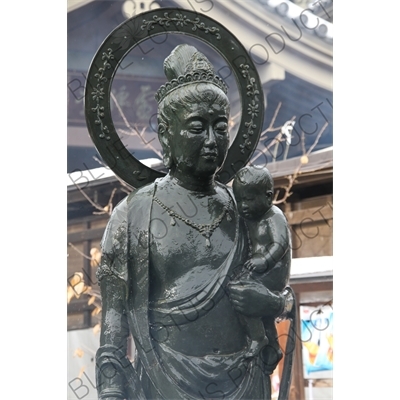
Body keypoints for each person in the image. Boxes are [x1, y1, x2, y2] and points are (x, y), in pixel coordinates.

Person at [95, 44, 292, 400]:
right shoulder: (133, 215)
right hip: (162, 378)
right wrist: (111, 389)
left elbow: (281, 296)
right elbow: (114, 321)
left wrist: (272, 304)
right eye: (198, 127)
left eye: (221, 127)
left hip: (245, 377)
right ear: (166, 134)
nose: (212, 141)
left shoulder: (248, 210)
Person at [232, 165, 292, 367]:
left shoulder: (274, 216)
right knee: (264, 316)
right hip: (259, 269)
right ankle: (273, 347)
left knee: (244, 296)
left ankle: (257, 338)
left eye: (248, 200)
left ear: (268, 197)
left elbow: (280, 244)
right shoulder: (249, 218)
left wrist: (265, 259)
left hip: (272, 272)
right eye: (239, 200)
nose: (243, 206)